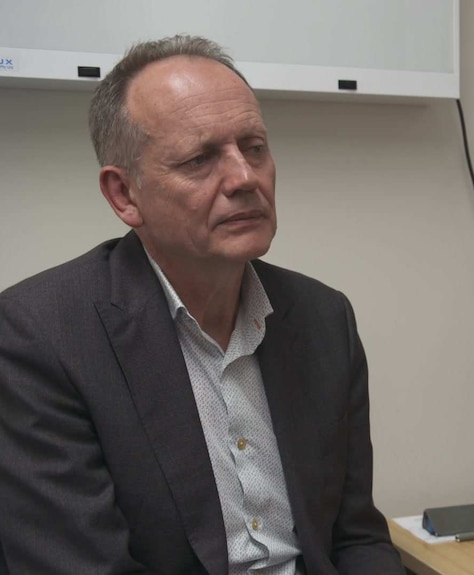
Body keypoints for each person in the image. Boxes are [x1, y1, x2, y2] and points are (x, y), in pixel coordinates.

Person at [0, 35, 405, 575]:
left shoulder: (324, 318)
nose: (244, 178)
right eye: (199, 159)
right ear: (124, 195)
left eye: (254, 147)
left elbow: (356, 539)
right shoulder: (39, 336)